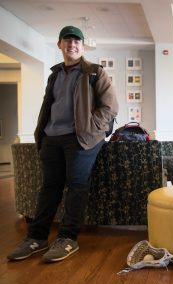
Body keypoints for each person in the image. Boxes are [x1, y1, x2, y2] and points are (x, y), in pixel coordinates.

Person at [7, 26, 118, 262]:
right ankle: (36, 238)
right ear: (59, 45)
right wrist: (43, 133)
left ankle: (67, 238)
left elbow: (110, 108)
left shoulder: (95, 72)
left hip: (80, 139)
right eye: (67, 41)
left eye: (76, 41)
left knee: (77, 186)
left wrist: (89, 126)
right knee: (49, 188)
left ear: (83, 46)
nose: (72, 45)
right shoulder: (54, 74)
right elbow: (49, 105)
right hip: (51, 137)